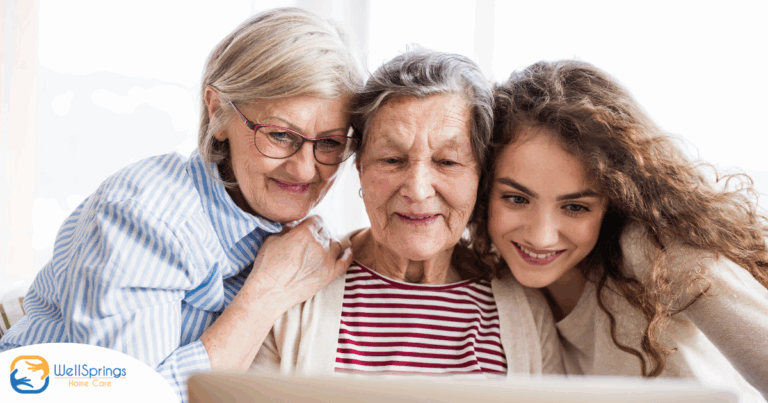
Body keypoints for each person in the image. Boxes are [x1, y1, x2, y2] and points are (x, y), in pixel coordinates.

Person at [0, 7, 362, 401]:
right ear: (218, 111)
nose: (305, 169)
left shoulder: (289, 234)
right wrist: (266, 295)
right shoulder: (144, 217)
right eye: (279, 135)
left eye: (330, 142)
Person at [251, 48, 563, 378]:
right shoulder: (294, 288)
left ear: (480, 175)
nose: (417, 190)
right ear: (360, 168)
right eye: (392, 160)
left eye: (447, 162)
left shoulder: (528, 312)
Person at [472, 60, 768, 400]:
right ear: (483, 189)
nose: (541, 236)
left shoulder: (654, 252)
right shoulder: (495, 285)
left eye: (575, 207)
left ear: (614, 200)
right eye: (516, 199)